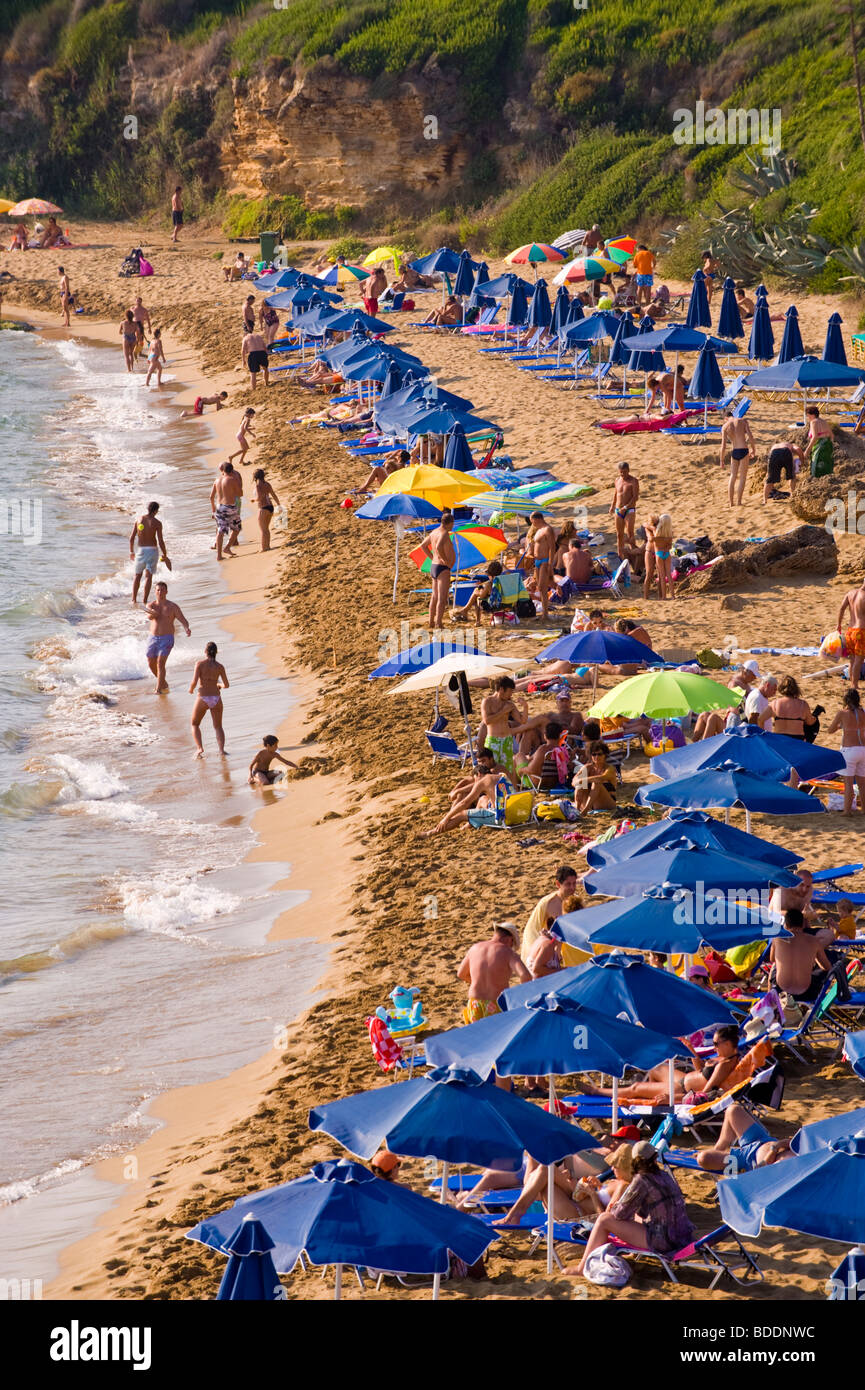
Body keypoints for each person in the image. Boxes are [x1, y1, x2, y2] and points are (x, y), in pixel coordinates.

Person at [566, 1141, 694, 1277]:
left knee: (604, 1219)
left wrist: (612, 1207)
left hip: (664, 1240)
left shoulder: (642, 1179)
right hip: (682, 1235)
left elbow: (620, 1214)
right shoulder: (665, 1176)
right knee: (628, 1217)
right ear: (655, 1158)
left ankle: (582, 1268)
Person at [457, 921, 530, 1024]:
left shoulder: (475, 948)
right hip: (495, 1004)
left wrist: (477, 982)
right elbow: (525, 975)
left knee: (477, 1037)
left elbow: (461, 974)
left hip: (474, 1003)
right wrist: (519, 995)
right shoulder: (508, 952)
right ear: (510, 939)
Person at [696, 1102, 793, 1173]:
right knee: (733, 1110)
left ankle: (721, 1154)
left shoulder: (791, 1168)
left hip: (747, 1160)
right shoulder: (804, 1157)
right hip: (761, 1139)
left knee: (703, 1158)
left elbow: (761, 1171)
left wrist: (775, 1148)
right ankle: (720, 1147)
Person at [770, 907, 832, 1001]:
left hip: (781, 991)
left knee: (774, 967)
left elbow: (772, 959)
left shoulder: (778, 938)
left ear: (786, 925)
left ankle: (770, 1002)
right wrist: (811, 957)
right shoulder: (813, 941)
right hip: (807, 992)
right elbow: (826, 967)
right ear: (803, 924)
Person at [521, 866, 579, 963]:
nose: (572, 888)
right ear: (558, 884)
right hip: (550, 954)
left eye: (574, 883)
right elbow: (532, 930)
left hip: (571, 954)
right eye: (568, 884)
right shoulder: (547, 903)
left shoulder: (577, 902)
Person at [145, 581, 190, 694]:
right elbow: (149, 616)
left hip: (167, 638)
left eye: (162, 590)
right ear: (155, 592)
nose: (160, 592)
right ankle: (163, 683)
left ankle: (158, 689)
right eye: (158, 590)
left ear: (166, 591)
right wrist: (153, 614)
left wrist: (186, 628)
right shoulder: (151, 605)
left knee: (160, 662)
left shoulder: (173, 606)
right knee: (151, 662)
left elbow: (183, 619)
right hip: (153, 638)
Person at [479, 675, 528, 778]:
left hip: (507, 740)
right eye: (510, 691)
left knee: (508, 770)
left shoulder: (509, 704)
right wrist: (503, 711)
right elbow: (487, 721)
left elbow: (522, 720)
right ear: (501, 689)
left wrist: (525, 706)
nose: (511, 694)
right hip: (493, 741)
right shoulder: (487, 702)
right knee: (492, 769)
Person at [827, 688, 865, 815]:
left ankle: (847, 811)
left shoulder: (842, 713)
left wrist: (840, 726)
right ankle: (864, 809)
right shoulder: (863, 712)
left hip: (849, 750)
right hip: (862, 749)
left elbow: (830, 730)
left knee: (848, 783)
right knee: (862, 783)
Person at [190, 641, 229, 758]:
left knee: (195, 724)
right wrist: (219, 685)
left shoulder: (199, 664)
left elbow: (194, 681)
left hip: (203, 697)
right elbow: (226, 685)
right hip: (216, 698)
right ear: (216, 652)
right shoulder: (220, 667)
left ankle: (200, 748)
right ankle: (221, 750)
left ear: (205, 652)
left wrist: (191, 689)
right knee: (218, 726)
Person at [759, 676, 815, 752]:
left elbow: (760, 719)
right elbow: (810, 722)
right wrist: (815, 718)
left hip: (779, 740)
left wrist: (763, 736)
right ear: (796, 689)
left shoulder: (775, 703)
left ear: (781, 688)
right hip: (797, 740)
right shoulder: (803, 704)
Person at [420, 510, 456, 631]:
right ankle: (438, 623)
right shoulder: (444, 533)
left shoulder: (434, 532)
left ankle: (431, 621)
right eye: (453, 524)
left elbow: (423, 546)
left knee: (434, 596)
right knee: (442, 597)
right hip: (442, 568)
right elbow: (439, 546)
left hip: (434, 566)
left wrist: (433, 558)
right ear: (449, 523)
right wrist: (445, 560)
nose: (453, 526)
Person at [130, 501, 170, 605]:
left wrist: (131, 551)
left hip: (141, 550)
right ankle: (144, 601)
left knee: (137, 575)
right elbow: (160, 540)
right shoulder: (157, 523)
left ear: (148, 509)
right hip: (152, 551)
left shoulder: (139, 520)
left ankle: (133, 600)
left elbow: (131, 538)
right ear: (156, 511)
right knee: (148, 576)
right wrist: (165, 554)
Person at [720, 408, 756, 506]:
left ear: (725, 418)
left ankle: (731, 503)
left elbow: (723, 446)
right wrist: (753, 449)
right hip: (744, 450)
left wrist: (721, 459)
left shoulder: (725, 426)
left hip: (734, 451)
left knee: (733, 477)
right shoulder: (742, 421)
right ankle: (739, 502)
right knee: (742, 477)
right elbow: (750, 436)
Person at [210, 460, 243, 560]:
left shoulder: (216, 480)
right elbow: (240, 493)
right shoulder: (231, 479)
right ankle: (227, 547)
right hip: (230, 507)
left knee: (220, 531)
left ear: (223, 470)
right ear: (232, 470)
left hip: (219, 507)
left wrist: (213, 510)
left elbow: (211, 497)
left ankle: (219, 556)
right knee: (237, 528)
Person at [837, 579, 865, 691]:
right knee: (859, 660)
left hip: (850, 630)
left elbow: (841, 608)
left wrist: (838, 624)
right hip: (861, 631)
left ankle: (852, 683)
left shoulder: (851, 593)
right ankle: (854, 685)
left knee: (852, 659)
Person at [609, 461, 639, 558]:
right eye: (621, 472)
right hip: (618, 510)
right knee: (619, 535)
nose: (623, 474)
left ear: (628, 470)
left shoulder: (633, 481)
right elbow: (616, 494)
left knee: (630, 534)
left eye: (625, 472)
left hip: (629, 510)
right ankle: (620, 555)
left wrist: (625, 507)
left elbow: (635, 497)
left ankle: (634, 554)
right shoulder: (617, 480)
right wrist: (612, 506)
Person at [764, 438, 804, 502]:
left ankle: (764, 500)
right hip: (786, 452)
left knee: (770, 479)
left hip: (773, 453)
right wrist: (802, 461)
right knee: (792, 476)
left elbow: (769, 459)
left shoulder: (775, 445)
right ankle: (792, 495)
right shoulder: (791, 445)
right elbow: (798, 449)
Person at [252, 467, 280, 552]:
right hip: (270, 507)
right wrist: (278, 504)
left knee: (263, 530)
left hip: (263, 507)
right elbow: (273, 495)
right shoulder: (267, 484)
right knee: (266, 529)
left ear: (255, 477)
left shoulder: (258, 485)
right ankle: (268, 546)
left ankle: (264, 548)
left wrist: (254, 500)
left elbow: (260, 497)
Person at [803, 405, 835, 477]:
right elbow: (832, 435)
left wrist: (807, 451)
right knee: (827, 465)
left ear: (812, 415)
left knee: (816, 465)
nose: (808, 418)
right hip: (828, 445)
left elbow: (814, 437)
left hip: (819, 446)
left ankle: (816, 479)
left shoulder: (814, 422)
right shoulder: (824, 421)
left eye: (808, 416)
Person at [653, 512, 674, 600]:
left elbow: (656, 544)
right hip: (667, 554)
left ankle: (664, 597)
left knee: (662, 576)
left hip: (659, 554)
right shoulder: (670, 533)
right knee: (669, 575)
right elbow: (669, 546)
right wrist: (666, 548)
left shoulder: (657, 533)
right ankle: (673, 596)